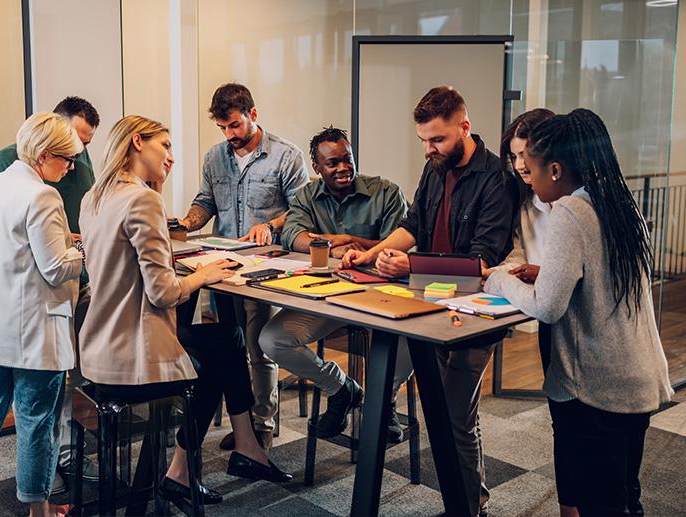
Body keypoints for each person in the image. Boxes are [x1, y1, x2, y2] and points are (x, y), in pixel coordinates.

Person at [78, 115, 291, 509]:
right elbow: (162, 293)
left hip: (97, 348)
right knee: (211, 360)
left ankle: (243, 445)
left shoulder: (95, 197)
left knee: (227, 337)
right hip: (134, 353)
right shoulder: (142, 200)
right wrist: (205, 274)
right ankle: (184, 470)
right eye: (166, 145)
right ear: (138, 143)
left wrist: (155, 187)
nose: (172, 156)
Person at [483, 109, 673, 517]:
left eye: (531, 169)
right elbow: (601, 278)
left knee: (599, 503)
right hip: (637, 376)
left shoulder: (571, 209)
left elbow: (547, 308)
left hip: (598, 385)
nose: (526, 178)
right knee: (624, 495)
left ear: (555, 168)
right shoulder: (620, 200)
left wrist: (500, 282)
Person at [342, 86, 514, 517]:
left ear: (465, 127)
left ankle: (472, 506)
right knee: (438, 410)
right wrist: (371, 253)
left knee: (456, 416)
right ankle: (465, 500)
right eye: (423, 140)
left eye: (437, 139)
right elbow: (414, 222)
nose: (428, 149)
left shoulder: (496, 179)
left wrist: (412, 266)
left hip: (473, 314)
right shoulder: (436, 167)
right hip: (425, 308)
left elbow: (481, 262)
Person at [0, 112, 85, 517]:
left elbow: (6, 248)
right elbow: (57, 267)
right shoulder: (42, 195)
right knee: (36, 421)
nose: (70, 167)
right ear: (43, 155)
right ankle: (39, 512)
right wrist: (82, 249)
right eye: (66, 158)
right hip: (31, 332)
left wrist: (61, 242)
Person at [177, 83, 309, 449]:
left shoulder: (286, 156)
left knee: (259, 347)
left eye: (234, 125)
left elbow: (302, 210)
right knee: (232, 347)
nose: (229, 135)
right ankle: (243, 427)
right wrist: (187, 222)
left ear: (253, 114)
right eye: (222, 128)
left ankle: (261, 424)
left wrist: (270, 225)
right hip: (223, 271)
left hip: (266, 269)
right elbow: (206, 202)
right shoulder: (215, 157)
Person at [259, 126, 410, 442]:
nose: (343, 169)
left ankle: (381, 402)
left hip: (381, 295)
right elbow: (293, 236)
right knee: (273, 340)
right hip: (328, 296)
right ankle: (341, 389)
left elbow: (398, 244)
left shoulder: (386, 192)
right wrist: (342, 249)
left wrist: (351, 240)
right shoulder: (306, 197)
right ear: (317, 167)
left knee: (412, 338)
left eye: (347, 159)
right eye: (332, 163)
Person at [0, 96, 101, 491]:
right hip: (32, 293)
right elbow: (9, 232)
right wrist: (68, 244)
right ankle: (40, 468)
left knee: (66, 374)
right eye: (71, 145)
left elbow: (85, 219)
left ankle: (63, 452)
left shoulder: (81, 166)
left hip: (75, 281)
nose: (77, 156)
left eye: (83, 146)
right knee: (34, 392)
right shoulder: (6, 164)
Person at [487, 108, 555, 372]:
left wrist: (542, 274)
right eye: (514, 156)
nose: (519, 165)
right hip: (549, 321)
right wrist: (495, 273)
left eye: (525, 155)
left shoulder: (576, 207)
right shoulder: (526, 202)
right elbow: (520, 253)